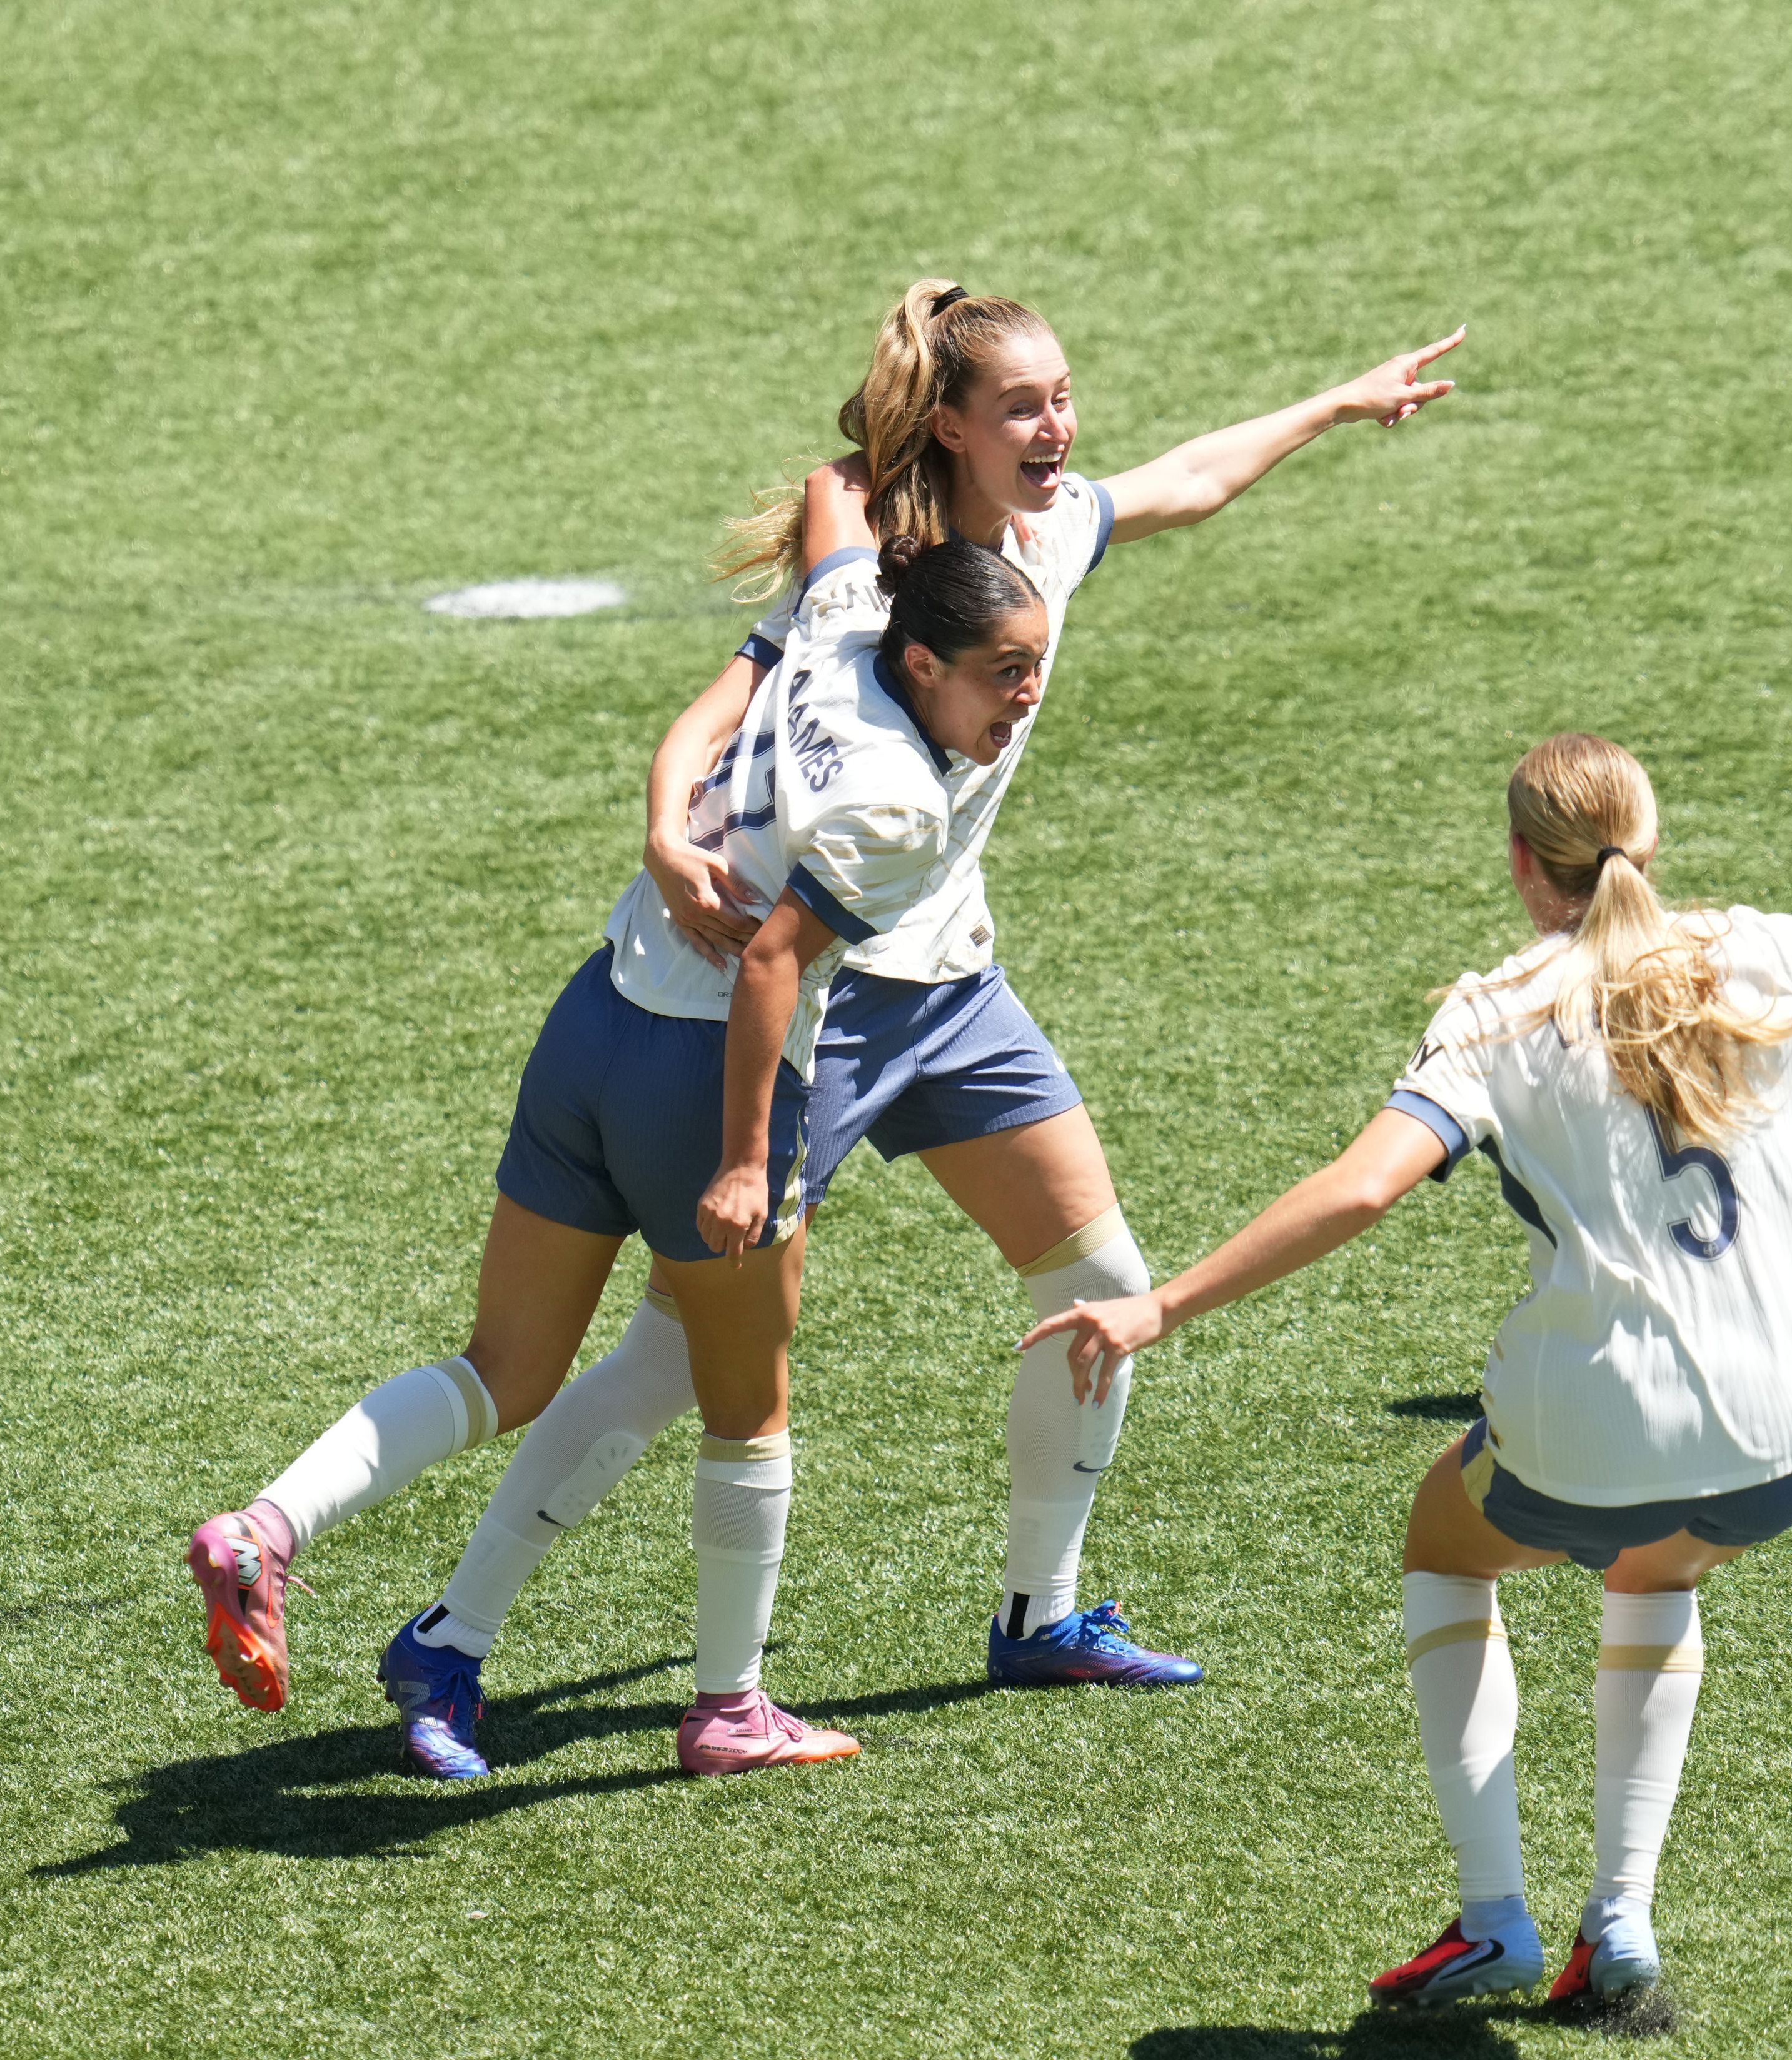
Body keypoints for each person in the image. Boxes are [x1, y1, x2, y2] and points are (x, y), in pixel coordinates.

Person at [407, 281, 1466, 1694]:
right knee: (678, 1354)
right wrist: (664, 831)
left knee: (1097, 1280)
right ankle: (453, 1635)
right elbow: (722, 713)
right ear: (954, 427)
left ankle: (1041, 1612)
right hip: (821, 1003)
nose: (1058, 426)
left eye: (1064, 397)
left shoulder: (1052, 537)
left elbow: (1187, 481)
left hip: (952, 989)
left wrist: (1335, 403)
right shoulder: (868, 575)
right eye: (1023, 405)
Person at [1024, 709, 1792, 2010]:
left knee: (1446, 1542)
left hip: (1596, 1424)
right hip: (1789, 1433)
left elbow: (1362, 1189)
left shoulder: (1496, 1013)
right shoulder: (1773, 954)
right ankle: (1621, 1933)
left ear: (1519, 862)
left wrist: (1161, 1306)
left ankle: (1494, 1916)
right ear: (1652, 847)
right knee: (1662, 1568)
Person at [183, 535, 1045, 1780]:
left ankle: (272, 1524)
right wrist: (746, 1162)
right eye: (1006, 672)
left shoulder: (848, 603)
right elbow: (766, 966)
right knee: (749, 1407)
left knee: (504, 1365)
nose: (1026, 697)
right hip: (703, 1082)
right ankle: (731, 1709)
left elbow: (727, 678)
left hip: (593, 1024)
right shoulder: (904, 809)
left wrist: (661, 827)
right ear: (926, 661)